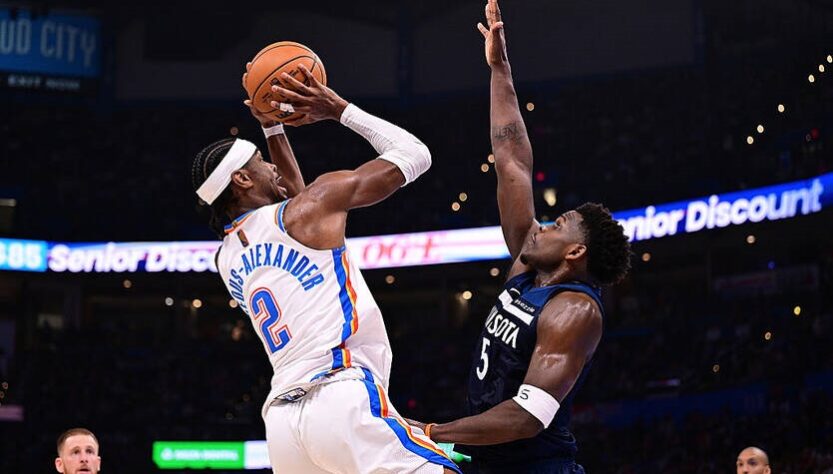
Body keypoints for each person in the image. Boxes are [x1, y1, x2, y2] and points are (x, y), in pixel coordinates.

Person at [191, 65, 460, 474]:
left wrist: (273, 129)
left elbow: (297, 204)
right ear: (242, 179)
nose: (272, 167)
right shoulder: (305, 213)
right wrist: (338, 109)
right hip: (338, 391)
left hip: (283, 424)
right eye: (261, 162)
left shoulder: (226, 258)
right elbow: (415, 154)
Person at [407, 1, 632, 472]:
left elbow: (528, 417)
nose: (543, 225)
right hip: (489, 461)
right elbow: (511, 158)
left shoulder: (575, 310)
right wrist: (499, 69)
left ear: (575, 251)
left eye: (557, 225)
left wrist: (432, 432)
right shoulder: (526, 268)